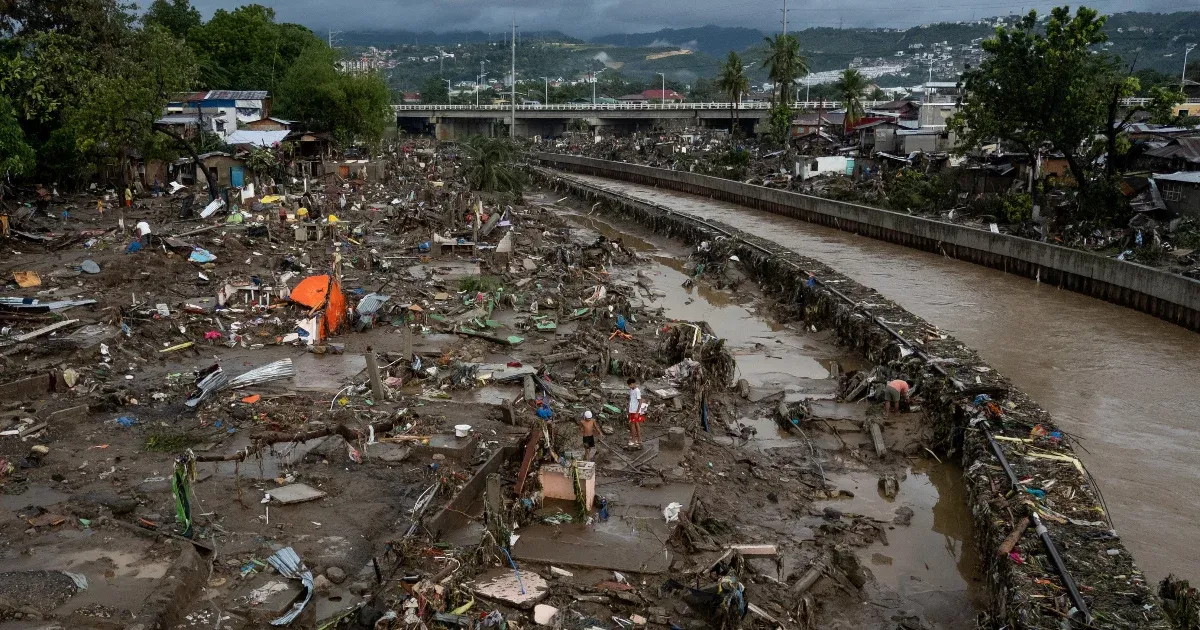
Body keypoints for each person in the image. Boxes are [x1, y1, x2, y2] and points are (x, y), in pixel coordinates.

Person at [627, 378, 644, 448]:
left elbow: (640, 402)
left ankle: (634, 440)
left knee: (633, 425)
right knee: (636, 424)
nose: (629, 386)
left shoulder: (637, 391)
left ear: (633, 384)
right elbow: (631, 400)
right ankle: (639, 440)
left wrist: (637, 412)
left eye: (630, 385)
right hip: (632, 410)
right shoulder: (631, 390)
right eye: (629, 385)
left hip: (635, 411)